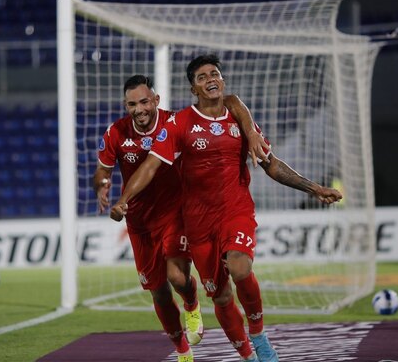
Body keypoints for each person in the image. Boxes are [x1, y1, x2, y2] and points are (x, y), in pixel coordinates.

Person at [110, 55, 342, 362]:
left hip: (235, 211)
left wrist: (313, 188)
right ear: (193, 88)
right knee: (219, 295)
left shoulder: (241, 120)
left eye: (214, 73)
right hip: (197, 223)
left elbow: (271, 164)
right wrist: (124, 198)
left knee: (240, 267)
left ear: (223, 80)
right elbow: (151, 166)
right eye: (202, 76)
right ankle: (247, 355)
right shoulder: (179, 124)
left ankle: (259, 337)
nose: (210, 79)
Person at [94, 74, 268, 362]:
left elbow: (230, 102)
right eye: (132, 104)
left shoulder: (175, 122)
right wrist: (103, 187)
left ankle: (191, 304)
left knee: (177, 276)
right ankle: (183, 352)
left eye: (144, 102)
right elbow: (102, 172)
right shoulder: (116, 133)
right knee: (159, 293)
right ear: (126, 107)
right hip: (139, 223)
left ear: (156, 101)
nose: (139, 109)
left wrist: (249, 130)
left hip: (176, 214)